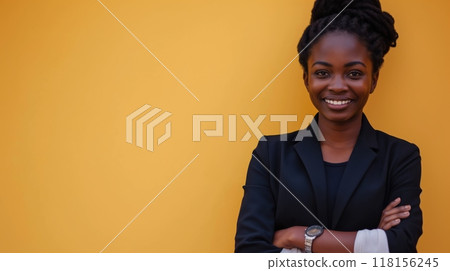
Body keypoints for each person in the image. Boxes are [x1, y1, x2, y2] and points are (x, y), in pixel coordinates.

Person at [234, 0, 422, 253]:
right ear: (306, 78)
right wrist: (371, 241)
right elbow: (249, 253)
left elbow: (401, 250)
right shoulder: (271, 154)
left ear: (374, 79)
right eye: (323, 73)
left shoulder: (400, 157)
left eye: (354, 73)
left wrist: (295, 236)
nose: (337, 86)